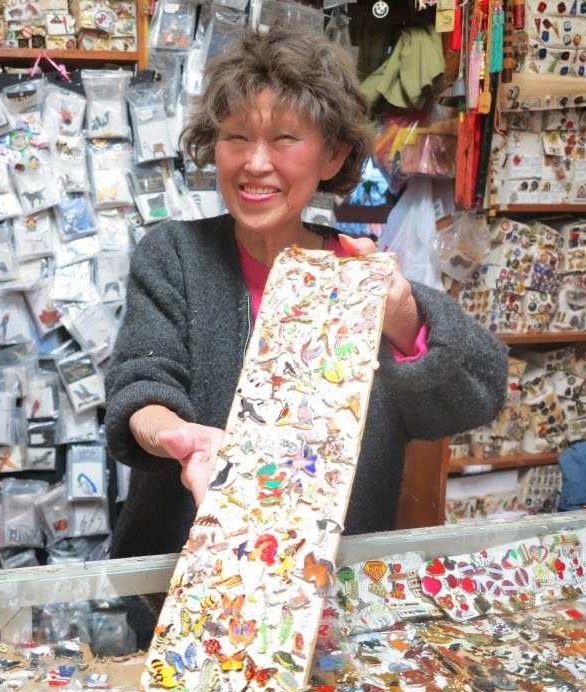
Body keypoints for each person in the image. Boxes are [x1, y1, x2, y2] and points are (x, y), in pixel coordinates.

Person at [104, 27, 509, 561]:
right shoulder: (175, 255)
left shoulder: (361, 275)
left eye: (284, 139)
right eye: (236, 137)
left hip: (330, 579)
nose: (255, 163)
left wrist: (403, 316)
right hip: (183, 573)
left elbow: (478, 394)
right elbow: (141, 383)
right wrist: (177, 435)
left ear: (333, 156)